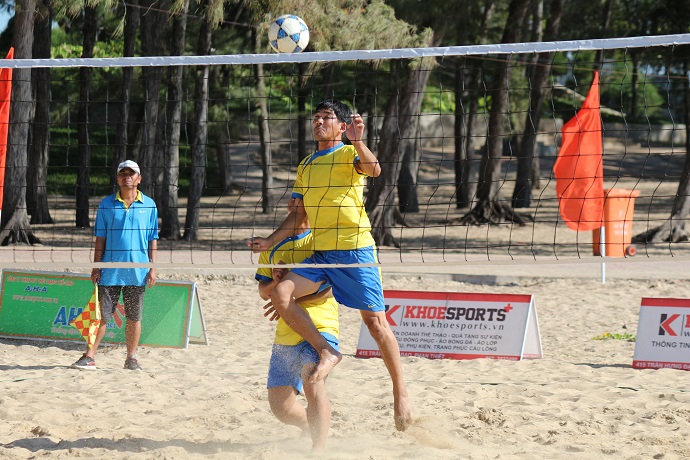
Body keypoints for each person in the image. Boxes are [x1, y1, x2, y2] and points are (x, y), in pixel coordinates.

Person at [247, 99, 413, 431]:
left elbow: (374, 170)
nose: (319, 122)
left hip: (355, 250)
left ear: (342, 126)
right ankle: (328, 351)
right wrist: (269, 241)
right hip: (322, 253)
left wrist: (358, 141)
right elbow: (299, 215)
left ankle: (401, 393)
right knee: (280, 293)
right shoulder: (306, 164)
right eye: (316, 117)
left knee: (376, 324)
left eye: (327, 117)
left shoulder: (349, 152)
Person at [255, 198, 338, 452]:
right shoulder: (272, 247)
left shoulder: (322, 241)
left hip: (321, 325)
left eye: (300, 200)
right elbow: (263, 291)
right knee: (280, 408)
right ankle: (309, 426)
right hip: (286, 331)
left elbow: (331, 290)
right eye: (291, 201)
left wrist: (288, 297)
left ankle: (319, 450)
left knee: (313, 380)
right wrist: (276, 284)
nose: (294, 204)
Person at [71, 160, 159, 371]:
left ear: (139, 178)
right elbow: (100, 238)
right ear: (118, 178)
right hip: (110, 271)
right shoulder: (107, 204)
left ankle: (131, 359)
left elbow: (153, 239)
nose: (127, 176)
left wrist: (153, 268)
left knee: (134, 318)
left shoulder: (149, 205)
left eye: (131, 173)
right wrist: (96, 266)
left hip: (137, 271)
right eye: (123, 173)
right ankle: (90, 356)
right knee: (101, 317)